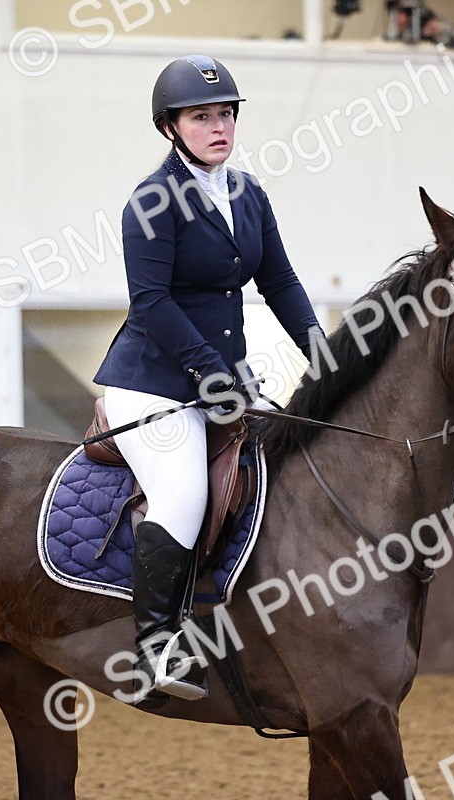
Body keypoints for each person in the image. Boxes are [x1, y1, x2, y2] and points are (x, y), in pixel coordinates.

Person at [93, 54, 322, 703]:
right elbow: (151, 302)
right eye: (202, 116)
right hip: (154, 382)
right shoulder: (150, 200)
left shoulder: (249, 195)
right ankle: (156, 646)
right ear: (171, 126)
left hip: (221, 379)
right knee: (183, 490)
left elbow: (278, 280)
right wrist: (211, 373)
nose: (218, 126)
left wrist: (323, 351)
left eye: (226, 114)